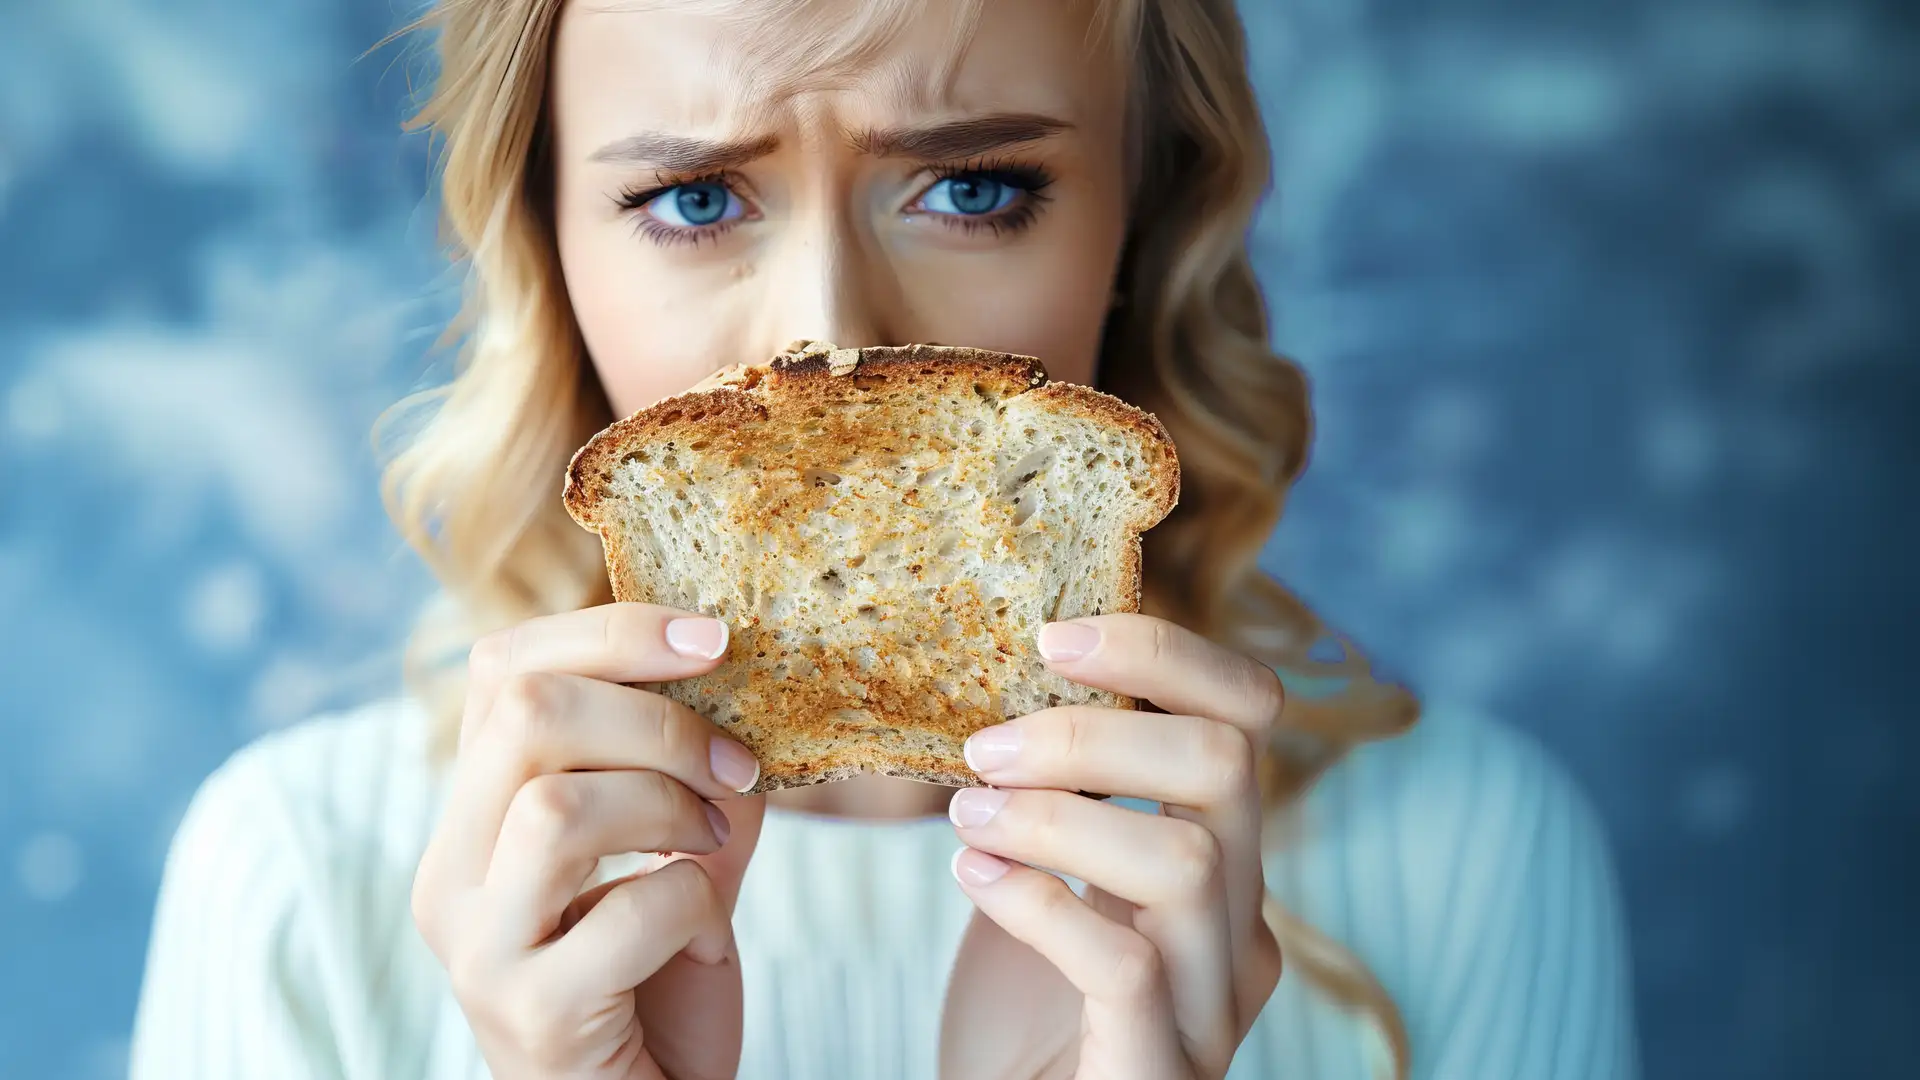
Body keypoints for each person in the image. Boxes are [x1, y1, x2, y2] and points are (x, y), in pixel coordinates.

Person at [127, 0, 1638, 1077]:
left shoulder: (1467, 855)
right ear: (548, 252)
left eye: (973, 189)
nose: (829, 340)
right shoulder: (299, 878)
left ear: (1141, 223)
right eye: (695, 198)